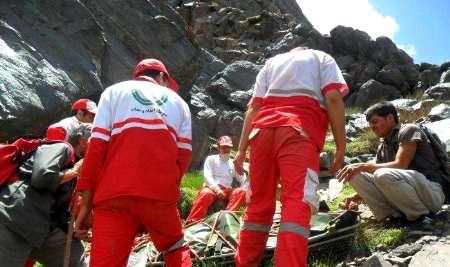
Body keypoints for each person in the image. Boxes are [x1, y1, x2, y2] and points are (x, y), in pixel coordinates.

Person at [233, 47, 348, 266]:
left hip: (261, 133)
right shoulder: (321, 58)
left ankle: (245, 263)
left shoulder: (272, 63)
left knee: (258, 204)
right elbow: (333, 97)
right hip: (298, 131)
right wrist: (341, 147)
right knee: (297, 202)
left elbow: (254, 108)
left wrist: (240, 151)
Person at [75, 58, 193, 267]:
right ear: (163, 77)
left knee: (105, 262)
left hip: (112, 195)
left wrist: (86, 202)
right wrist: (163, 196)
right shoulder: (179, 104)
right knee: (175, 246)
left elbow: (96, 150)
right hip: (159, 194)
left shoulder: (113, 93)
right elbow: (182, 158)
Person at [337, 101, 448, 224]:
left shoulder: (410, 130)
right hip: (407, 196)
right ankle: (392, 217)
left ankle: (420, 217)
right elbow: (378, 179)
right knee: (353, 174)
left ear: (390, 118)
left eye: (375, 122)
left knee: (381, 174)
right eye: (370, 124)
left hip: (432, 193)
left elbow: (401, 165)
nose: (372, 127)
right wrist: (355, 198)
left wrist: (362, 166)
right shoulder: (383, 145)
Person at [0, 123, 92, 267]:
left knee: (77, 261)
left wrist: (73, 232)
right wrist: (74, 171)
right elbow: (41, 176)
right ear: (83, 141)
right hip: (14, 217)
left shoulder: (74, 170)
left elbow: (60, 212)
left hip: (40, 228)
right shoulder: (61, 147)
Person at [185, 135, 248, 224]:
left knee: (241, 192)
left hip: (227, 190)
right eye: (224, 147)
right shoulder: (211, 159)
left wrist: (239, 168)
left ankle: (225, 217)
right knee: (205, 193)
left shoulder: (232, 162)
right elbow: (207, 176)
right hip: (212, 188)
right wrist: (217, 190)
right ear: (218, 147)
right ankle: (192, 220)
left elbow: (242, 181)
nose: (227, 149)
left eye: (229, 147)